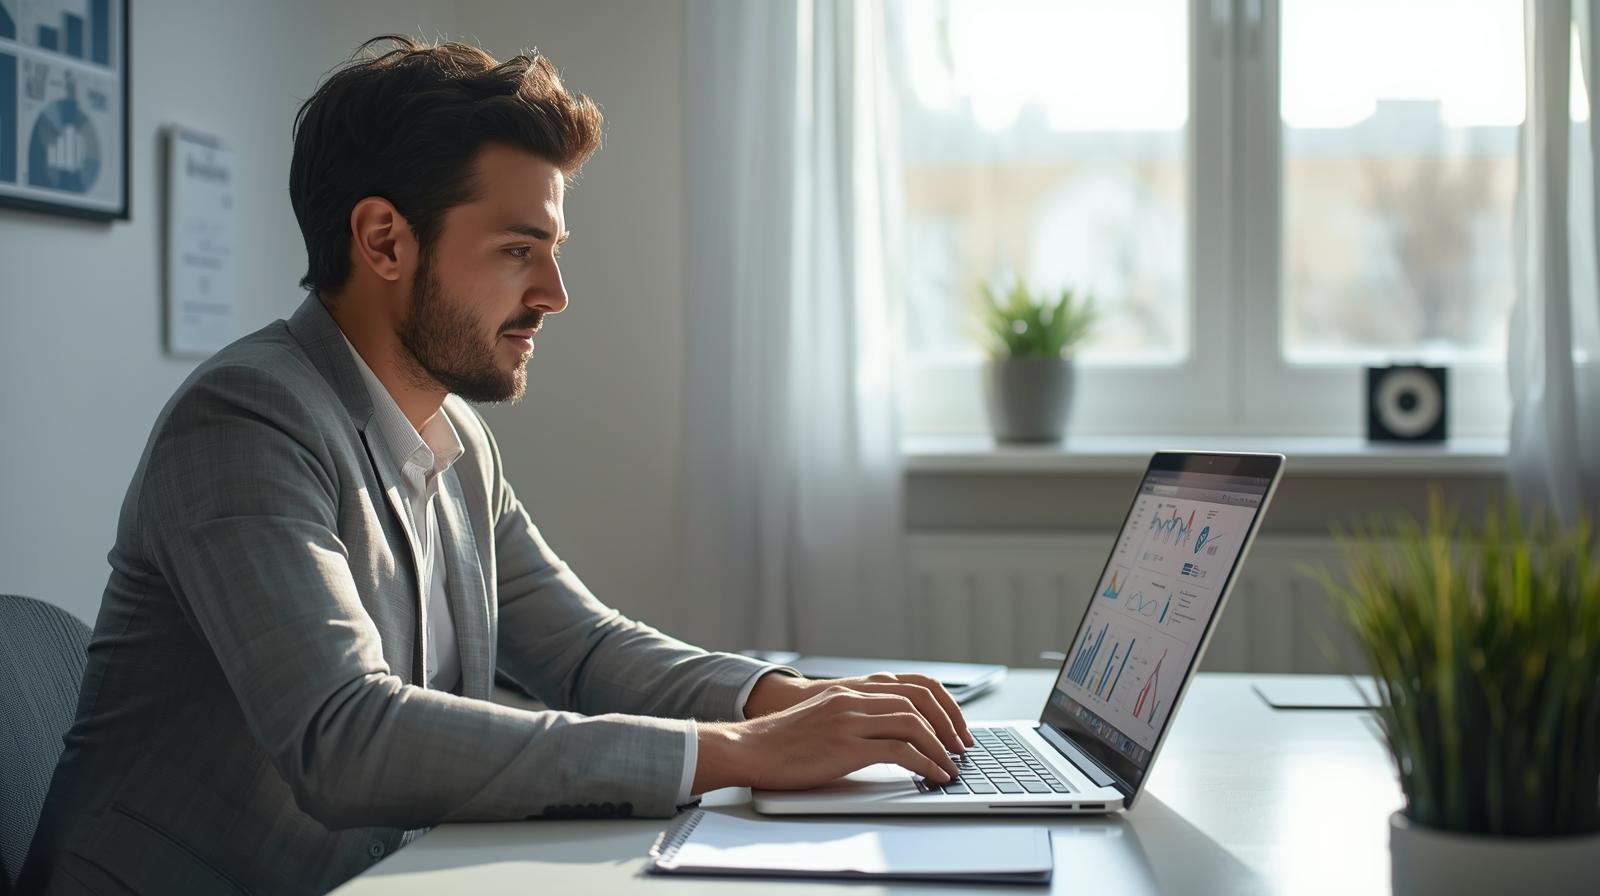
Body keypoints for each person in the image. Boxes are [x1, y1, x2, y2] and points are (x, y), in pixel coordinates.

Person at [17, 36, 973, 896]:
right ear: (384, 240)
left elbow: (586, 649)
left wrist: (792, 703)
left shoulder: (457, 438)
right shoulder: (246, 421)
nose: (554, 294)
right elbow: (345, 737)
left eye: (551, 250)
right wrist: (738, 751)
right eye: (519, 250)